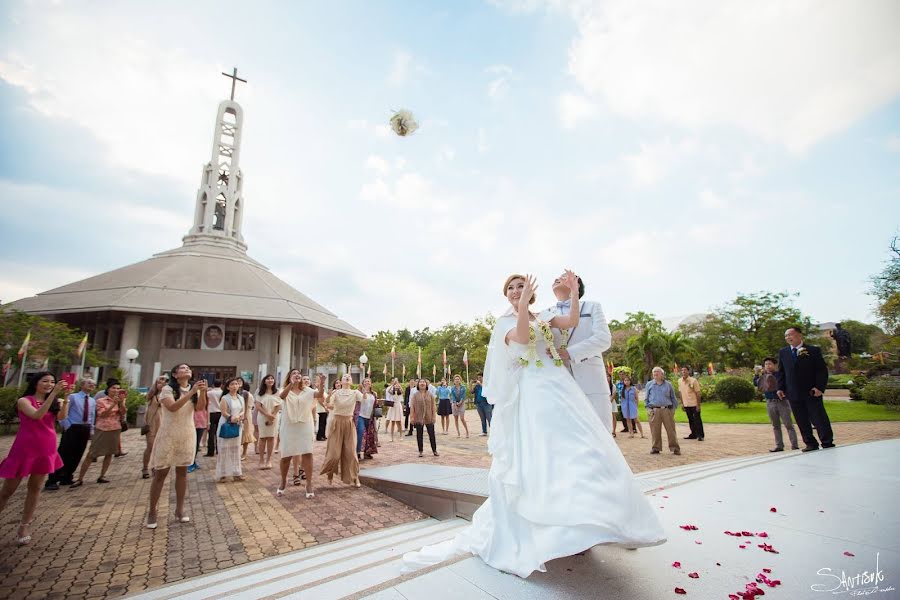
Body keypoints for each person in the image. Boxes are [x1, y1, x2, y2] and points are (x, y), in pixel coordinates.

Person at [402, 273, 665, 578]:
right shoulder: (503, 323)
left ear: (531, 291)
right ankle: (546, 521)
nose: (516, 290)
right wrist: (524, 306)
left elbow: (571, 323)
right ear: (506, 295)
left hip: (561, 384)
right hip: (532, 388)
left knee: (581, 445)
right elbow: (524, 339)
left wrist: (575, 294)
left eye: (520, 286)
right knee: (544, 448)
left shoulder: (546, 315)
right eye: (511, 288)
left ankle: (594, 515)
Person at [0, 372, 70, 545]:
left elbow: (62, 418)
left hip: (46, 447)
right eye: (45, 381)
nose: (49, 384)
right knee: (8, 490)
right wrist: (54, 394)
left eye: (52, 382)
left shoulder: (56, 402)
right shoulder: (24, 401)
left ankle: (24, 525)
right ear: (35, 383)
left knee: (36, 488)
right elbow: (37, 415)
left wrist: (65, 398)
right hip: (24, 449)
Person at [547, 271, 613, 433]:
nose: (556, 278)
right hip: (559, 384)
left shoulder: (592, 307)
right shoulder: (545, 314)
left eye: (563, 276)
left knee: (600, 434)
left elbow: (603, 339)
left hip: (591, 382)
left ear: (576, 282)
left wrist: (570, 353)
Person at [146, 363, 207, 528]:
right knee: (161, 473)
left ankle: (180, 509)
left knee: (182, 472)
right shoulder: (167, 390)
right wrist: (192, 392)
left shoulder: (195, 390)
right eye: (182, 368)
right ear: (174, 374)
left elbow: (200, 408)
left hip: (187, 433)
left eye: (188, 368)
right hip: (168, 434)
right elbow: (172, 407)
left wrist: (202, 393)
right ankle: (152, 511)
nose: (186, 370)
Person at [778, 327, 834, 452]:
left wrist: (819, 387)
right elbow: (781, 372)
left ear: (799, 335)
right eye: (786, 336)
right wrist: (780, 388)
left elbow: (821, 371)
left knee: (818, 418)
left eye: (790, 335)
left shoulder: (813, 350)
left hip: (811, 391)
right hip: (793, 392)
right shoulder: (784, 352)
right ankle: (810, 443)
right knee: (801, 419)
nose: (788, 338)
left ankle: (827, 442)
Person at [73, 379, 126, 487]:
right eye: (113, 388)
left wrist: (122, 402)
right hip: (102, 429)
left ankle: (102, 475)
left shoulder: (120, 400)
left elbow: (123, 413)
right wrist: (113, 404)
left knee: (110, 453)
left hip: (115, 428)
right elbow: (103, 414)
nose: (115, 390)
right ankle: (80, 478)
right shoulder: (101, 400)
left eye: (117, 388)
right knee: (92, 453)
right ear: (108, 389)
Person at [277, 373, 323, 498]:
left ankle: (308, 484)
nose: (297, 375)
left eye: (299, 373)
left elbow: (319, 395)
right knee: (286, 455)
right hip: (288, 425)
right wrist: (291, 384)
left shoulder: (308, 390)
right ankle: (283, 481)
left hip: (304, 425)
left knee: (307, 452)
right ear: (289, 377)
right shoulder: (284, 389)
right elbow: (282, 396)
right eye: (294, 373)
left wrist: (322, 383)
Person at [45, 377, 96, 490]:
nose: (92, 385)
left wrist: (91, 430)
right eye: (89, 383)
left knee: (77, 454)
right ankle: (52, 479)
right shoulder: (73, 397)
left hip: (85, 428)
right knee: (64, 453)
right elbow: (64, 411)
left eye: (93, 384)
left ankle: (67, 476)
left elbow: (92, 416)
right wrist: (66, 425)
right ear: (82, 385)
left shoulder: (92, 400)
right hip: (72, 427)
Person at [320, 373, 362, 488]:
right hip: (336, 422)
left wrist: (364, 389)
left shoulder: (355, 393)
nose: (347, 377)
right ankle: (330, 474)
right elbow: (328, 405)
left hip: (349, 423)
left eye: (349, 376)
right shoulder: (336, 393)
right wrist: (328, 396)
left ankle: (355, 477)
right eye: (344, 376)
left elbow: (365, 399)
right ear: (341, 381)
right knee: (334, 454)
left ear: (351, 381)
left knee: (351, 453)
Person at [759, 357, 799, 452]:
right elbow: (760, 386)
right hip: (770, 402)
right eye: (766, 364)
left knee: (788, 424)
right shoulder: (763, 376)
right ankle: (779, 445)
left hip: (782, 402)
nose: (767, 366)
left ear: (775, 365)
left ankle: (794, 445)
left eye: (769, 364)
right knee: (775, 425)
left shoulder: (780, 375)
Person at [217, 377, 247, 482]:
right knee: (224, 449)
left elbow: (243, 410)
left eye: (236, 384)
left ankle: (237, 473)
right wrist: (231, 418)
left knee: (236, 449)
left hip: (237, 424)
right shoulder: (225, 398)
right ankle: (222, 474)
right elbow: (223, 412)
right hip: (226, 424)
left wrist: (239, 417)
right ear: (228, 387)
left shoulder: (240, 398)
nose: (235, 386)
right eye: (232, 384)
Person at [645, 367, 681, 455]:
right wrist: (649, 409)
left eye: (657, 372)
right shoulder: (649, 384)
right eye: (654, 372)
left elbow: (673, 398)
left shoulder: (668, 384)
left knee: (671, 430)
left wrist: (673, 410)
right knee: (655, 430)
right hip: (654, 410)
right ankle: (656, 448)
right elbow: (646, 399)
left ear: (662, 374)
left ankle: (675, 448)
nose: (655, 374)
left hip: (667, 409)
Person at [141, 376, 167, 479]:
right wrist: (157, 383)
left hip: (163, 424)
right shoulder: (152, 395)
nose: (162, 385)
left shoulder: (168, 395)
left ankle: (154, 466)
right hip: (151, 424)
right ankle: (145, 468)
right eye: (159, 383)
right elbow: (148, 397)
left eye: (163, 383)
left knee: (158, 448)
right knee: (150, 447)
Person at [256, 374, 281, 469]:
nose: (270, 380)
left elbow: (278, 405)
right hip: (262, 417)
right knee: (262, 438)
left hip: (274, 417)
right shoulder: (260, 391)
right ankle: (261, 460)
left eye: (272, 378)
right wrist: (267, 415)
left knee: (271, 438)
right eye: (268, 378)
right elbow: (258, 406)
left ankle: (269, 460)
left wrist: (272, 416)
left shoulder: (277, 391)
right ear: (264, 381)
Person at [410, 379, 439, 457]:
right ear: (418, 385)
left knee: (431, 434)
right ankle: (420, 451)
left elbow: (433, 406)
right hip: (418, 417)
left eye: (424, 382)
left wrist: (434, 416)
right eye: (420, 382)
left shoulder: (430, 394)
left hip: (429, 417)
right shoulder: (415, 395)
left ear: (426, 385)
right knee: (419, 435)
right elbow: (412, 407)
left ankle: (434, 450)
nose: (422, 384)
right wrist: (412, 417)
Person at [678, 367, 704, 442]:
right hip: (686, 404)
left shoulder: (693, 381)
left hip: (694, 403)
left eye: (685, 370)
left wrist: (698, 405)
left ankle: (700, 435)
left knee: (697, 419)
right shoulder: (680, 381)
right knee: (690, 420)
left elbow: (698, 393)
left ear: (688, 371)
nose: (683, 372)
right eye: (682, 370)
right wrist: (682, 403)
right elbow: (680, 392)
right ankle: (693, 433)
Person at [188, 388, 209, 473]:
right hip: (192, 423)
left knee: (196, 444)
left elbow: (207, 410)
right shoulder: (191, 398)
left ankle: (193, 461)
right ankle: (189, 463)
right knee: (191, 444)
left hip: (201, 423)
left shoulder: (205, 397)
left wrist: (208, 422)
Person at [357, 378, 379, 460]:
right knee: (361, 432)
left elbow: (375, 405)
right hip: (361, 416)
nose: (367, 382)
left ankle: (367, 452)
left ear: (371, 383)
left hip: (370, 417)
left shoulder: (374, 393)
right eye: (365, 381)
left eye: (369, 381)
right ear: (362, 383)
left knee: (370, 435)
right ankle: (358, 452)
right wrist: (364, 393)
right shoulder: (359, 392)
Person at [238, 379, 256, 461]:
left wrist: (244, 416)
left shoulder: (247, 394)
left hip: (246, 415)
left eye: (239, 381)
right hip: (236, 414)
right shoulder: (234, 393)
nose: (238, 383)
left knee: (245, 434)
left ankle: (244, 453)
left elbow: (250, 406)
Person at [205, 379, 223, 457]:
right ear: (221, 384)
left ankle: (210, 452)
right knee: (219, 432)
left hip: (212, 413)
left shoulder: (209, 393)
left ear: (213, 384)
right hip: (221, 413)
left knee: (211, 433)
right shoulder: (223, 393)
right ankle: (219, 450)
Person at [315, 377, 330, 441]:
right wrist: (325, 407)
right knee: (321, 424)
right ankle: (319, 436)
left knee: (324, 423)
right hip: (321, 409)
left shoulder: (323, 391)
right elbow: (320, 400)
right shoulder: (317, 391)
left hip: (324, 409)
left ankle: (323, 435)